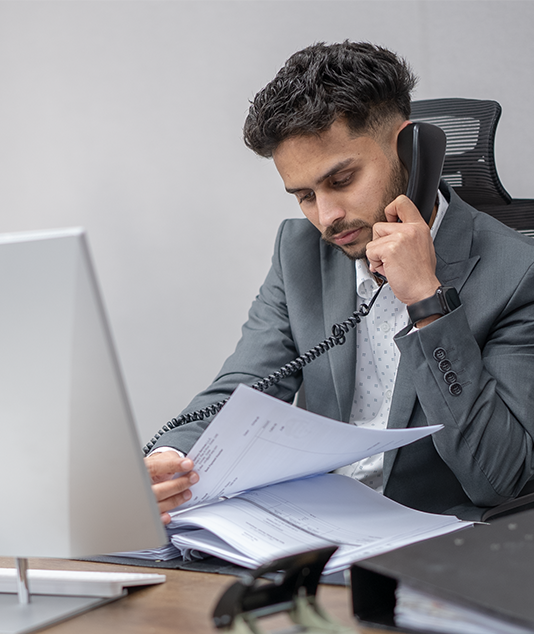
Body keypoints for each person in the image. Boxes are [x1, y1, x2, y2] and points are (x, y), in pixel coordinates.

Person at [146, 40, 534, 523]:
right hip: (308, 528)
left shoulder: (518, 274)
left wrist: (427, 304)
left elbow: (501, 479)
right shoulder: (300, 251)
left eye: (342, 180)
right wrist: (171, 461)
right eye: (305, 195)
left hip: (430, 546)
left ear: (411, 150)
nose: (327, 217)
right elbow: (245, 386)